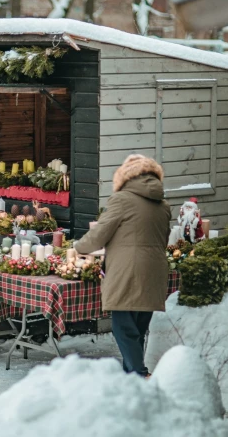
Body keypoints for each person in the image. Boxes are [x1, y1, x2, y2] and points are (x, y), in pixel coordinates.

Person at [73, 154, 171, 378]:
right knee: (137, 329)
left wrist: (79, 247)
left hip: (127, 271)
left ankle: (139, 374)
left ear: (126, 176)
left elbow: (100, 234)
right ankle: (132, 378)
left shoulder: (122, 200)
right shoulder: (163, 205)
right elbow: (163, 239)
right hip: (154, 270)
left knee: (123, 328)